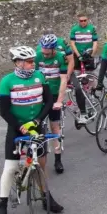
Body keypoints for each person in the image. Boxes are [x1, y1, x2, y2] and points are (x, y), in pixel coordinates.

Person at [0, 45, 63, 214]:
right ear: (18, 62)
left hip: (36, 126)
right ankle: (2, 205)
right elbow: (4, 111)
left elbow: (49, 100)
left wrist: (37, 121)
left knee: (41, 163)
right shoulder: (7, 81)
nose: (33, 64)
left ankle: (45, 197)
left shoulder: (40, 76)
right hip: (16, 127)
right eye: (29, 61)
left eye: (33, 61)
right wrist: (20, 126)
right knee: (10, 168)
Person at [35, 34, 71, 173]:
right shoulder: (38, 56)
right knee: (36, 127)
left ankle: (58, 160)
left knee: (55, 128)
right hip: (41, 96)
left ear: (54, 49)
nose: (44, 53)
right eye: (43, 50)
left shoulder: (61, 57)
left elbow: (63, 80)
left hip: (55, 94)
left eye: (47, 51)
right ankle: (37, 158)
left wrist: (59, 101)